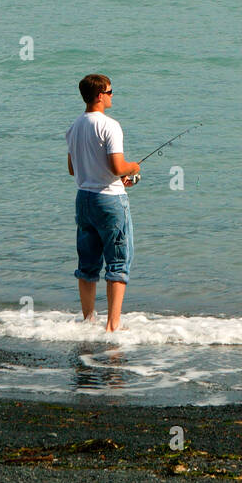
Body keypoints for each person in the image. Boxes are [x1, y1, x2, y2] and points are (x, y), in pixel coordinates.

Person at [66, 73, 140, 332]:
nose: (111, 96)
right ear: (99, 96)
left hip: (84, 199)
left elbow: (72, 169)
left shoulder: (74, 127)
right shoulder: (110, 126)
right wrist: (132, 168)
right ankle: (112, 326)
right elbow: (117, 166)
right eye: (110, 92)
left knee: (87, 266)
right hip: (110, 201)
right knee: (118, 264)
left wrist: (117, 176)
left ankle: (88, 322)